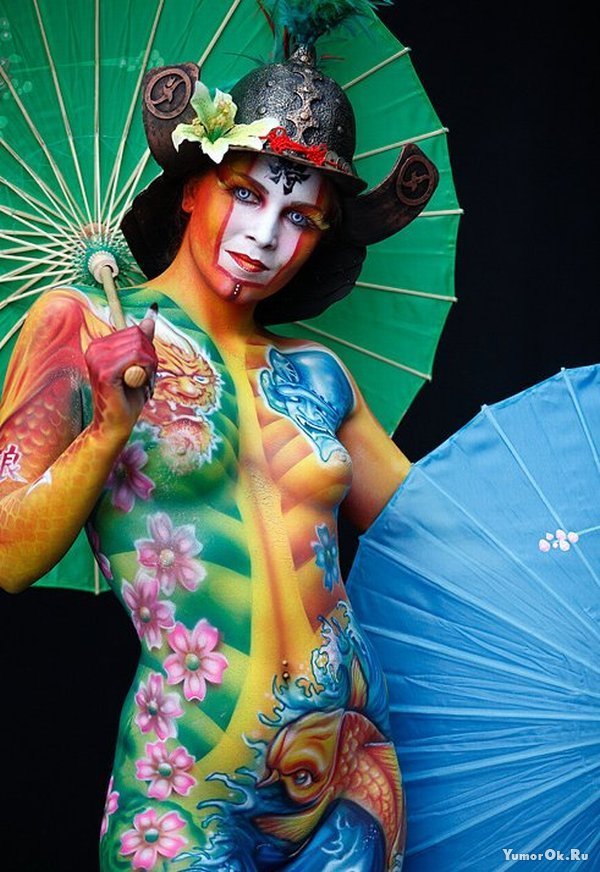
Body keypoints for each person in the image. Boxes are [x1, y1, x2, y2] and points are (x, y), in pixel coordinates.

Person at [0, 36, 437, 871]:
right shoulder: (81, 326)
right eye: (246, 193)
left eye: (300, 217)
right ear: (194, 186)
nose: (266, 235)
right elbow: (7, 555)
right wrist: (108, 429)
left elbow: (434, 537)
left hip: (355, 772)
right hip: (189, 791)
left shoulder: (318, 374)